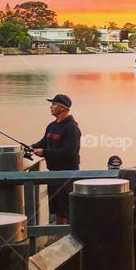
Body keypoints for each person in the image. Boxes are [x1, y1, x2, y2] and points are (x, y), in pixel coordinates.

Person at [30, 94, 81, 225]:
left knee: (67, 209)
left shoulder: (72, 128)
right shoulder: (51, 126)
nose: (51, 107)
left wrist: (44, 153)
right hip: (52, 173)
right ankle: (58, 238)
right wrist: (30, 148)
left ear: (63, 108)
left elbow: (70, 152)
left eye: (54, 104)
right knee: (56, 209)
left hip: (67, 174)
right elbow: (43, 142)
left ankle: (68, 237)